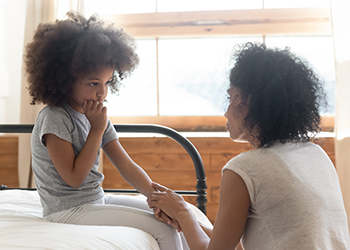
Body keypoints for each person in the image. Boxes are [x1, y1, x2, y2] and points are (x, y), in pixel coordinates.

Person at [149, 42, 350, 250]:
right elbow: (242, 241)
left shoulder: (245, 169)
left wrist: (182, 211)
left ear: (253, 102)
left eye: (231, 97)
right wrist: (186, 220)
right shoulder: (316, 154)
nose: (226, 111)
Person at [25, 11, 186, 250]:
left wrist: (156, 198)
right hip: (65, 211)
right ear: (65, 80)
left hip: (95, 201)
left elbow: (127, 166)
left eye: (107, 82)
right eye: (93, 83)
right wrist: (96, 130)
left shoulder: (96, 116)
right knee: (162, 228)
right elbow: (74, 178)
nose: (103, 93)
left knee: (173, 217)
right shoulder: (54, 117)